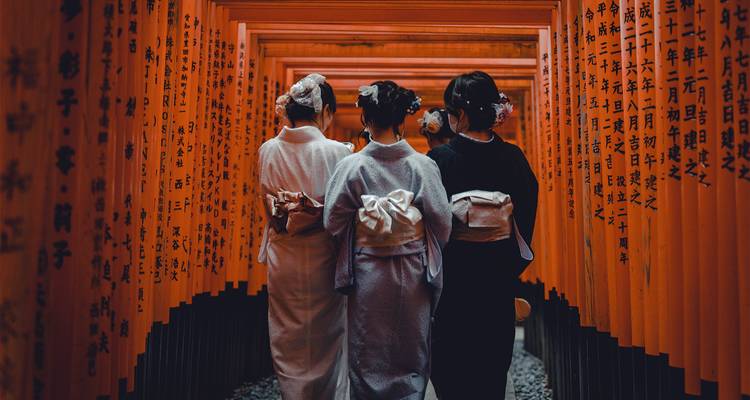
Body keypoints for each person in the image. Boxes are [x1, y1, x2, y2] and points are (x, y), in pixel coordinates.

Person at [323, 81, 452, 399]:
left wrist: (365, 229)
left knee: (368, 348)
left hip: (368, 269)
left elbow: (332, 221)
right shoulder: (423, 166)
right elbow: (442, 223)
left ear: (365, 119)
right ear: (402, 120)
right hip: (412, 271)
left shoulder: (352, 167)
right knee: (411, 346)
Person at [427, 71, 539, 398]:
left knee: (451, 366)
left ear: (459, 115)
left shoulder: (439, 160)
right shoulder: (513, 157)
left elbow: (429, 222)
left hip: (453, 283)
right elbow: (525, 218)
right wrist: (508, 265)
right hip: (496, 281)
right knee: (492, 367)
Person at [257, 73, 351, 400]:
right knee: (327, 335)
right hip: (325, 258)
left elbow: (271, 211)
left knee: (287, 335)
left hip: (284, 255)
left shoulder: (267, 150)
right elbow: (342, 214)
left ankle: (292, 394)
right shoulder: (338, 153)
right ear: (324, 111)